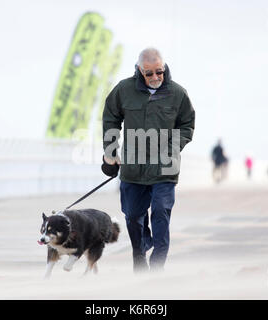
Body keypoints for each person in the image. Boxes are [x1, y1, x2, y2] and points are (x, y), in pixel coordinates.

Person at [101, 48, 196, 273]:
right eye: (149, 73)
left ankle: (158, 265)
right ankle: (139, 252)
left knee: (161, 210)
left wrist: (173, 146)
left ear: (164, 68)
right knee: (133, 215)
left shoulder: (177, 93)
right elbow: (111, 118)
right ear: (139, 71)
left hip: (165, 167)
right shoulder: (124, 90)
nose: (155, 78)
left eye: (159, 72)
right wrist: (110, 152)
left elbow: (187, 125)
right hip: (133, 168)